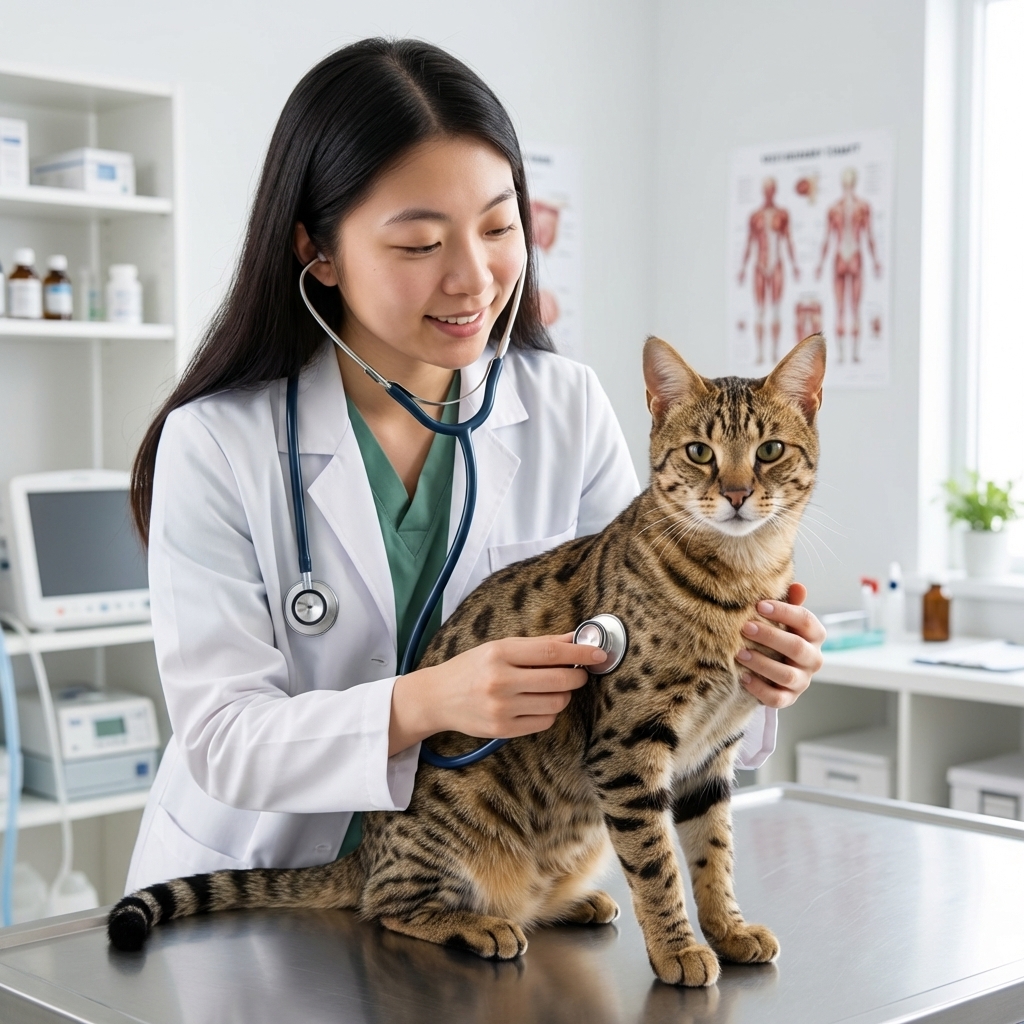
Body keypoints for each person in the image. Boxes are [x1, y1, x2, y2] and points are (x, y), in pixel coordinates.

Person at [124, 39, 825, 890]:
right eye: (419, 244)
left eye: (499, 227)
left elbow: (638, 663)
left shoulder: (561, 404)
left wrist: (756, 673)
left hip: (503, 885)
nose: (474, 278)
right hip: (265, 886)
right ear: (319, 252)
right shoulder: (217, 443)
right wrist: (429, 701)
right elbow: (222, 740)